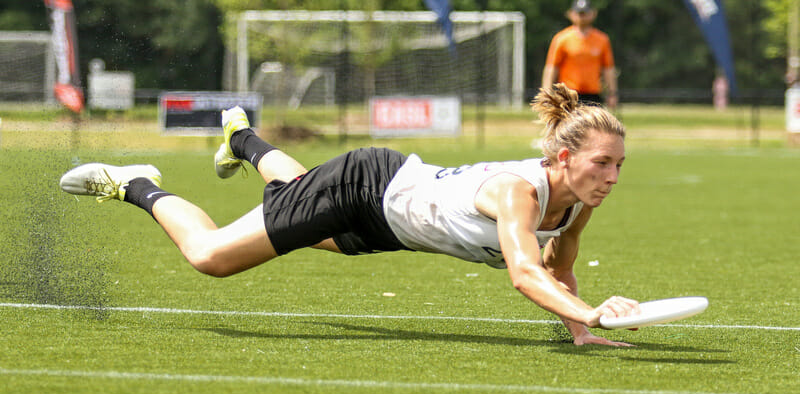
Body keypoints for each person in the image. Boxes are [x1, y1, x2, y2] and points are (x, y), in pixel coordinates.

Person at [59, 83, 639, 347]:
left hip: (386, 225)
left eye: (618, 166)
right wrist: (591, 311)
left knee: (291, 201)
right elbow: (526, 272)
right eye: (602, 163)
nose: (612, 178)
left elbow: (558, 264)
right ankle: (134, 183)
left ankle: (243, 142)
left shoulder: (574, 205)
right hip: (365, 187)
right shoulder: (521, 192)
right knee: (210, 257)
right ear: (564, 158)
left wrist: (582, 332)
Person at [542, 0, 618, 110]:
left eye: (585, 13)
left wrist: (612, 93)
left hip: (593, 95)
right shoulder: (562, 39)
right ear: (571, 14)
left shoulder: (602, 40)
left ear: (593, 14)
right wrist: (547, 93)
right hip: (568, 94)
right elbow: (552, 68)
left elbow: (608, 69)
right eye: (579, 13)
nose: (582, 17)